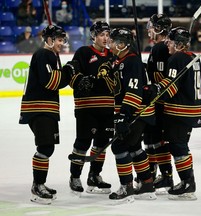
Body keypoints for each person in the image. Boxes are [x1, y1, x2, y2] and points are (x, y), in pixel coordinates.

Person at [19, 25, 80, 204]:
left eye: (63, 40)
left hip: (46, 108)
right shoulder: (43, 54)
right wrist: (68, 71)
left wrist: (65, 72)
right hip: (39, 108)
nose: (62, 43)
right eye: (59, 40)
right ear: (50, 40)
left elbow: (55, 80)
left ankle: (39, 183)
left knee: (48, 147)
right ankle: (38, 185)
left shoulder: (51, 55)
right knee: (45, 147)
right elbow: (51, 82)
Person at [144, 26, 201, 200]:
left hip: (179, 111)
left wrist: (154, 90)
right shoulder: (193, 58)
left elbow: (171, 85)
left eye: (170, 42)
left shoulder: (176, 58)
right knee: (179, 145)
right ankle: (186, 181)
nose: (167, 45)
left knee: (178, 146)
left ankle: (188, 183)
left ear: (178, 44)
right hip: (192, 110)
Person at [108, 27, 156, 202]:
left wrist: (123, 115)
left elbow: (134, 91)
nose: (109, 43)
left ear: (122, 44)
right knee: (135, 147)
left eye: (112, 41)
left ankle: (126, 187)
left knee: (119, 147)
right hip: (135, 111)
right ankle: (147, 184)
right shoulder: (120, 61)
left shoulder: (132, 61)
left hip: (137, 112)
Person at [68, 21, 115, 195]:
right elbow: (71, 74)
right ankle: (75, 176)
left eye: (107, 34)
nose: (105, 38)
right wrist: (80, 81)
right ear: (94, 36)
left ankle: (94, 175)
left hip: (108, 108)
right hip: (86, 107)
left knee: (102, 143)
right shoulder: (83, 52)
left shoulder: (112, 55)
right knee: (83, 142)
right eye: (101, 34)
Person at [144, 13, 174, 193]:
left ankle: (165, 175)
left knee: (157, 140)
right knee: (151, 139)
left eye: (152, 26)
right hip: (158, 102)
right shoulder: (160, 48)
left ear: (159, 29)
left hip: (160, 103)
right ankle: (155, 172)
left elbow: (160, 77)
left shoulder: (160, 49)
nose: (149, 29)